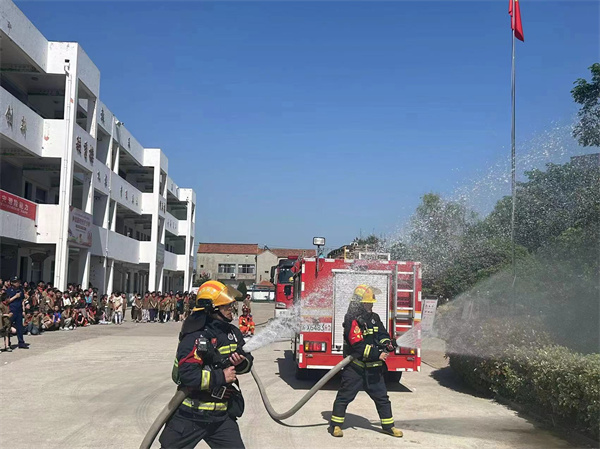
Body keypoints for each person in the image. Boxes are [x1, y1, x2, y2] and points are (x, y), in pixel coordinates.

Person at [159, 280, 253, 449]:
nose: (231, 310)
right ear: (212, 309)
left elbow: (248, 362)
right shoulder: (194, 337)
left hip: (221, 417)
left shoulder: (233, 333)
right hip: (191, 415)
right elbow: (188, 375)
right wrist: (221, 376)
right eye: (226, 307)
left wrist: (241, 363)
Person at [329, 284, 403, 438]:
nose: (371, 305)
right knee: (344, 396)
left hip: (374, 370)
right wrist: (378, 354)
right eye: (368, 303)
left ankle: (388, 426)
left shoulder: (374, 318)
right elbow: (357, 344)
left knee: (382, 398)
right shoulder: (352, 319)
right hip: (355, 368)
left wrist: (387, 343)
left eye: (371, 303)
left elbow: (382, 333)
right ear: (360, 303)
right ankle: (336, 425)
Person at [5, 277, 28, 349]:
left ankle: (21, 342)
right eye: (15, 282)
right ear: (12, 283)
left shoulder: (20, 290)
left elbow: (22, 301)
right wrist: (15, 296)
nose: (17, 283)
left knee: (20, 327)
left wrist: (23, 310)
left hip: (19, 311)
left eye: (18, 281)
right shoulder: (9, 290)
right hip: (12, 310)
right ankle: (7, 343)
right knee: (8, 326)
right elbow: (7, 301)